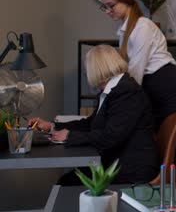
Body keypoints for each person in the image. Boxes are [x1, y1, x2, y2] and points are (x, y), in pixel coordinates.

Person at [29, 45, 158, 185]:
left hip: (131, 168)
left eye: (87, 68)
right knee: (67, 181)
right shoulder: (114, 90)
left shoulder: (127, 92)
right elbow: (90, 123)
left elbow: (111, 136)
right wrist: (52, 126)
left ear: (96, 69)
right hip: (117, 162)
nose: (86, 72)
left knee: (66, 182)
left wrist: (70, 136)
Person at [98, 0, 176, 133]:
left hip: (170, 94)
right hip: (155, 93)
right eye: (104, 7)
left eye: (111, 6)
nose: (107, 11)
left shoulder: (142, 27)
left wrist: (114, 98)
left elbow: (135, 73)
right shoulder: (125, 31)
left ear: (126, 0)